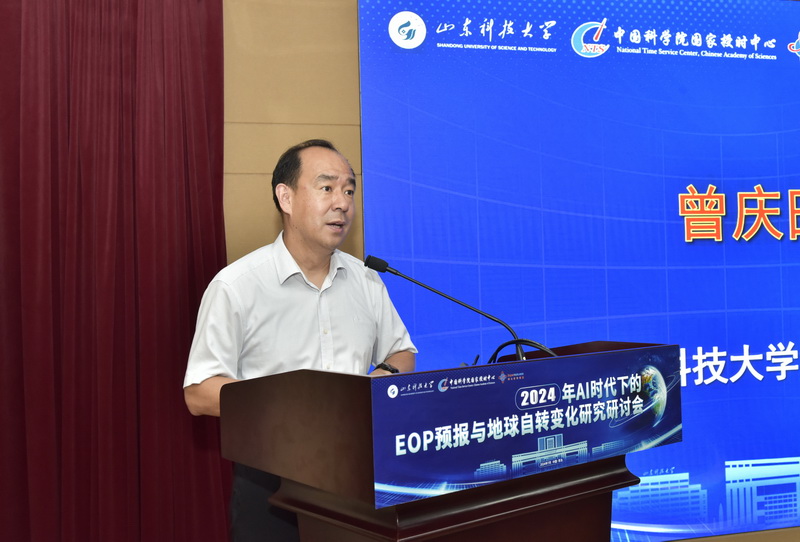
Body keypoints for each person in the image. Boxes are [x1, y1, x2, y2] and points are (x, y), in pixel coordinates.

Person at [183, 139, 417, 541]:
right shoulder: (237, 286)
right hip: (271, 478)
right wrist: (296, 406)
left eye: (349, 190)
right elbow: (199, 392)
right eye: (327, 188)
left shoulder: (366, 280)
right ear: (286, 198)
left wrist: (383, 377)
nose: (342, 203)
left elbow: (402, 351)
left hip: (357, 471)